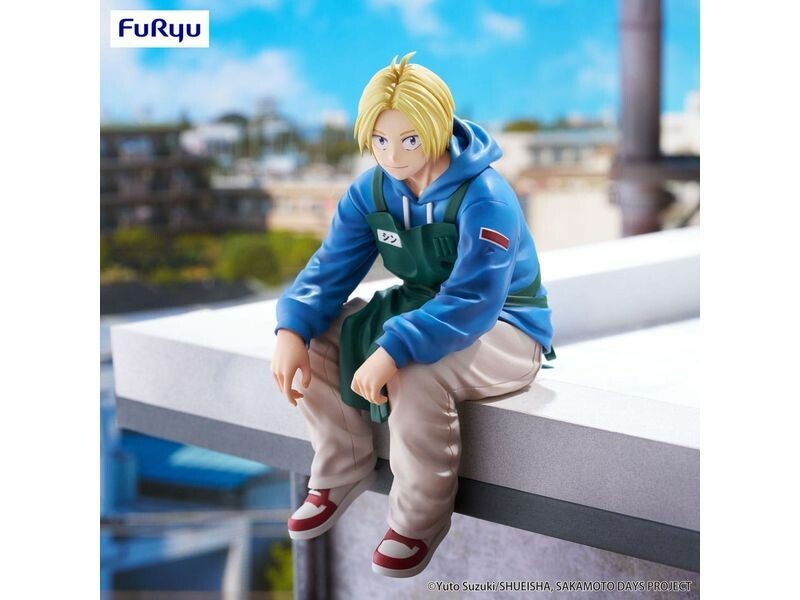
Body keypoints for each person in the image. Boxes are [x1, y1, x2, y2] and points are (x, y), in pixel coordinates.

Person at [271, 52, 554, 578]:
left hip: (503, 328)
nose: (393, 154)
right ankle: (340, 467)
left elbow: (474, 298)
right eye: (380, 140)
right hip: (419, 309)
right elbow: (330, 268)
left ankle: (416, 521)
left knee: (415, 371)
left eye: (409, 139)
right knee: (317, 339)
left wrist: (395, 348)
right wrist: (293, 325)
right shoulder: (371, 192)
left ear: (438, 128)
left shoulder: (485, 197)